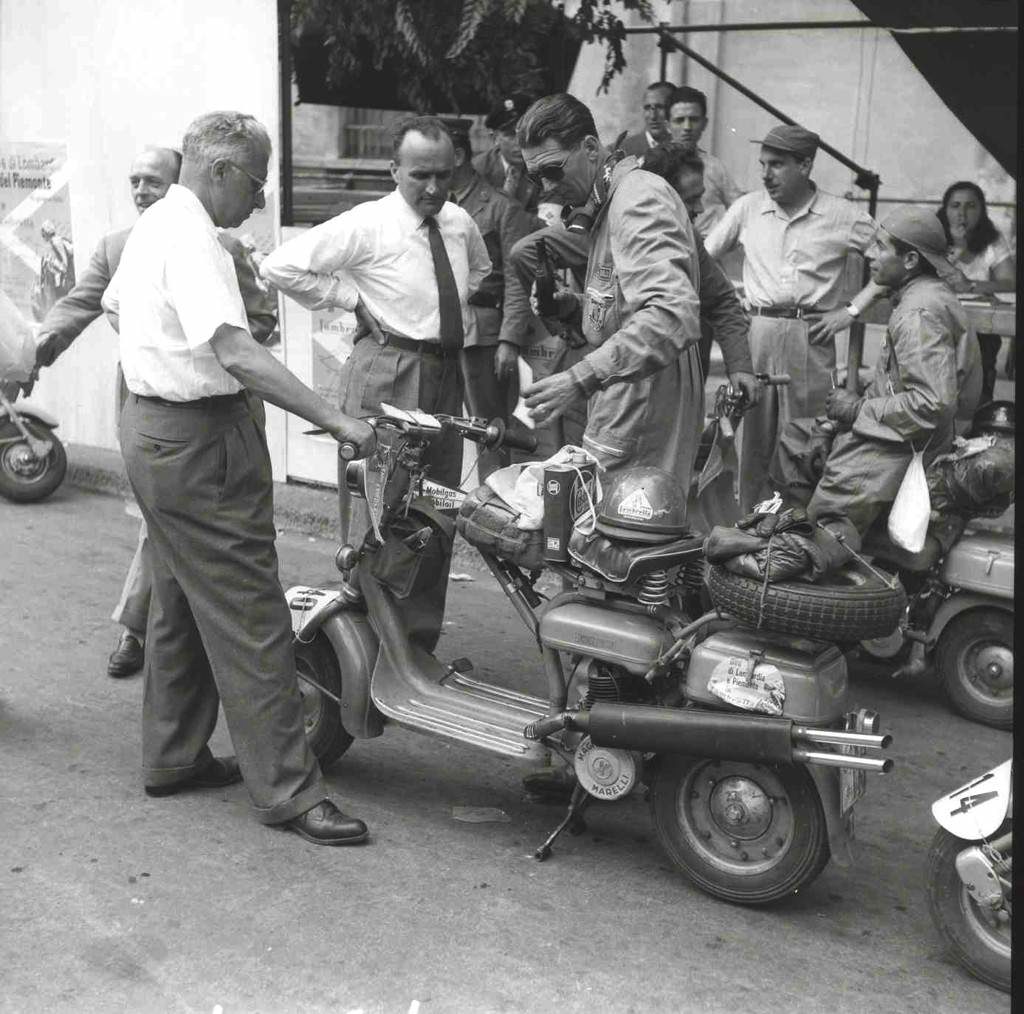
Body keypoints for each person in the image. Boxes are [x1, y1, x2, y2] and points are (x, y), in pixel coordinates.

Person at [104, 110, 374, 846]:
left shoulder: (157, 221)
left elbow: (115, 309)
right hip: (199, 441)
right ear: (219, 171)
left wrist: (158, 372)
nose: (259, 202)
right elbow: (237, 353)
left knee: (180, 602)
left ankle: (174, 754)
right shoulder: (192, 240)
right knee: (254, 618)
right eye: (256, 184)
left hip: (153, 429)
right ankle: (288, 790)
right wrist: (340, 420)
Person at [31, 146, 277, 680]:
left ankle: (142, 630)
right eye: (134, 181)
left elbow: (259, 323)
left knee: (169, 530)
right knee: (161, 524)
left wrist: (195, 344)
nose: (143, 192)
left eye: (154, 182)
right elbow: (79, 306)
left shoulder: (221, 246)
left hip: (216, 409)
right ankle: (160, 640)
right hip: (149, 406)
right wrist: (31, 355)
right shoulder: (118, 246)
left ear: (182, 186)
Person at [261, 116, 490, 651]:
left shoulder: (458, 222)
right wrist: (352, 300)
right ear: (394, 171)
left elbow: (478, 274)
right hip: (388, 371)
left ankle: (414, 645)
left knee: (437, 509)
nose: (433, 188)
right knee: (379, 512)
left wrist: (441, 317)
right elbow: (281, 266)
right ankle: (359, 644)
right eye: (419, 176)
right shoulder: (368, 224)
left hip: (444, 374)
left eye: (443, 174)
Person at [515, 93, 703, 491]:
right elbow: (628, 310)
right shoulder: (611, 201)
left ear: (589, 148)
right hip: (627, 395)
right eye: (535, 178)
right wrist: (573, 308)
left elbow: (672, 315)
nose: (547, 189)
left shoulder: (637, 200)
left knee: (613, 536)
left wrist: (579, 378)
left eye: (553, 171)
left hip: (641, 403)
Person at [770, 208, 965, 569]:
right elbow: (899, 386)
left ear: (909, 260)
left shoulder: (917, 314)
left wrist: (856, 410)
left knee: (823, 522)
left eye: (879, 246)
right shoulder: (922, 293)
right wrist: (837, 420)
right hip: (898, 429)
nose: (869, 254)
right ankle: (805, 529)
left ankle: (816, 570)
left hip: (904, 443)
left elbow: (932, 403)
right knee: (797, 438)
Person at [704, 123, 875, 512]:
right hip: (757, 331)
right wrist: (729, 300)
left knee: (808, 438)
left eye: (777, 165)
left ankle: (798, 530)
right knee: (752, 439)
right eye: (763, 164)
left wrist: (851, 310)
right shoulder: (748, 207)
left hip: (810, 334)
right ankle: (748, 528)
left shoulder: (841, 214)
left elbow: (895, 260)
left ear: (806, 165)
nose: (765, 174)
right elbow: (703, 257)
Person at [445, 119, 543, 478]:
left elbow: (518, 280)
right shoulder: (433, 205)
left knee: (491, 432)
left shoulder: (500, 208)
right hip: (436, 330)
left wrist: (509, 339)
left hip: (483, 334)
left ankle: (494, 505)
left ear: (456, 156)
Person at [666, 86, 744, 239]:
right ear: (668, 125)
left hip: (707, 250)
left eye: (693, 120)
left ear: (704, 123)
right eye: (679, 120)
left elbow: (740, 210)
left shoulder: (716, 167)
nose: (687, 127)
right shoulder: (650, 165)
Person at [473, 94, 541, 214]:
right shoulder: (478, 169)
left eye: (525, 133)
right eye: (510, 134)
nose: (520, 142)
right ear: (495, 138)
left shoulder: (542, 168)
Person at [618, 81, 675, 156]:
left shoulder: (685, 148)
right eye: (647, 108)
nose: (653, 116)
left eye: (660, 107)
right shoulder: (623, 150)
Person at [32, 221, 75, 320]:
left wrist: (51, 262)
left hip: (67, 278)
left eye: (43, 235)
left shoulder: (56, 242)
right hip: (67, 277)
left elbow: (64, 265)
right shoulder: (58, 240)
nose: (43, 238)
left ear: (45, 233)